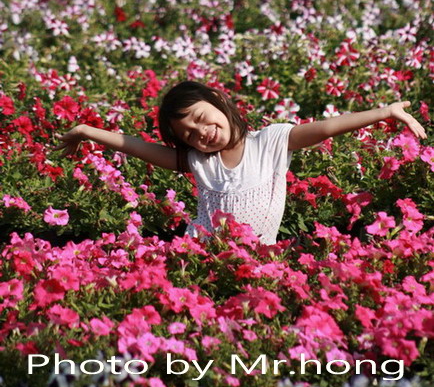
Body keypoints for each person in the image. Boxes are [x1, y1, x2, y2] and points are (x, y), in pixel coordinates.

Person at [55, 81, 426, 245]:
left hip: (258, 259)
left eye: (201, 118)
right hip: (199, 254)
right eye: (188, 134)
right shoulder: (200, 161)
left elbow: (326, 128)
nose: (201, 133)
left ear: (218, 100)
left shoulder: (271, 142)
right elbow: (139, 147)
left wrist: (384, 112)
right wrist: (88, 130)